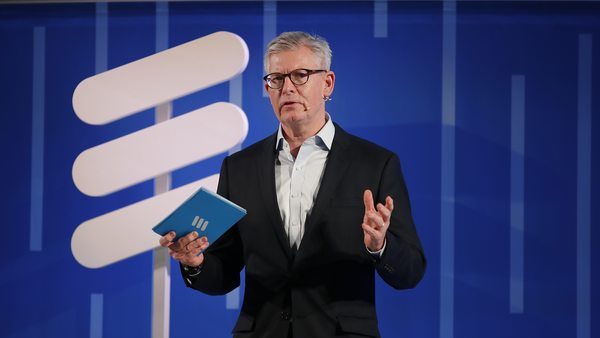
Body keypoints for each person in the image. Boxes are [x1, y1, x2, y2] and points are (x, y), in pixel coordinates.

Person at [159, 31, 426, 338]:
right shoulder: (239, 167)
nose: (287, 88)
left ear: (327, 84)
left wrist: (380, 247)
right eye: (276, 78)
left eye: (300, 75)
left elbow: (410, 272)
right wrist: (196, 262)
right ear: (267, 88)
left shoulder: (375, 164)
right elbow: (224, 273)